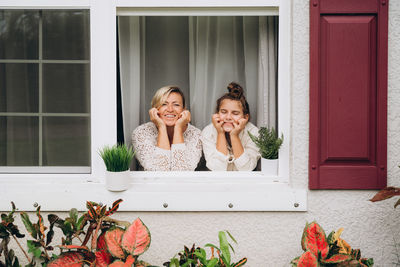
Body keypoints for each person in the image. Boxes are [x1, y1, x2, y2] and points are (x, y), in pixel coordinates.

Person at [132, 86, 202, 171]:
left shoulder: (196, 135)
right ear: (155, 109)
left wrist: (178, 128)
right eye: (164, 104)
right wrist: (162, 127)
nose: (170, 109)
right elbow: (159, 171)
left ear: (183, 109)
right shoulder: (141, 133)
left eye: (176, 105)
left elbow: (182, 172)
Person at [201, 82, 260, 171]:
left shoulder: (253, 133)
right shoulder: (208, 132)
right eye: (224, 112)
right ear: (217, 113)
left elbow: (246, 169)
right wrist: (220, 133)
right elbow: (217, 169)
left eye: (235, 113)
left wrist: (234, 136)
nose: (228, 117)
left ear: (245, 117)